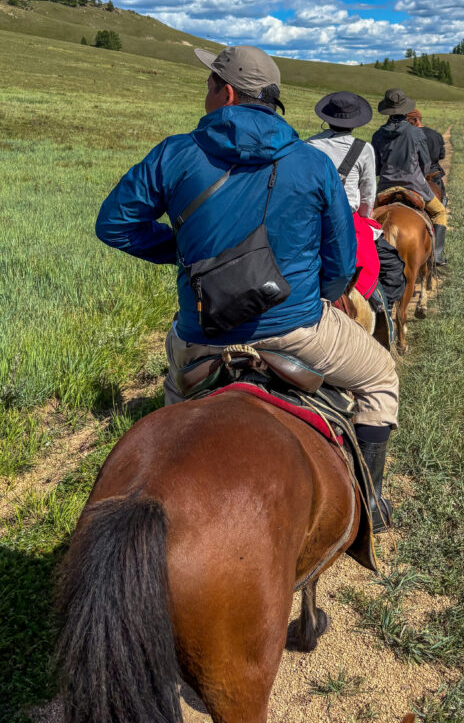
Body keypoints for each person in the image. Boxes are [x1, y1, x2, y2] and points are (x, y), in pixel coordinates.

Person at [95, 46, 397, 531]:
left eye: (210, 83)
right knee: (380, 376)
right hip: (295, 331)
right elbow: (340, 265)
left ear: (228, 92)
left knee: (176, 393)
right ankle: (370, 503)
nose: (206, 92)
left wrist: (187, 253)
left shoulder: (175, 152)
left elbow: (115, 224)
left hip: (202, 333)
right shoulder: (310, 162)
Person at [307, 92, 404, 340]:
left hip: (310, 221)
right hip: (347, 223)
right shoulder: (364, 149)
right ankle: (386, 317)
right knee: (391, 265)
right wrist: (365, 221)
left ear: (326, 118)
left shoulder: (308, 146)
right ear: (355, 122)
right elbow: (368, 196)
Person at [371, 88, 448, 266]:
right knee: (439, 212)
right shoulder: (416, 133)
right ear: (405, 109)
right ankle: (436, 256)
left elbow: (376, 167)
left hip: (385, 188)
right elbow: (425, 164)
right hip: (415, 186)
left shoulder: (378, 135)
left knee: (366, 219)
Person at [407, 107, 446, 203]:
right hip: (433, 174)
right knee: (442, 202)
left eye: (408, 121)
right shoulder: (436, 135)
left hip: (413, 176)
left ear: (415, 120)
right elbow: (442, 155)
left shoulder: (408, 135)